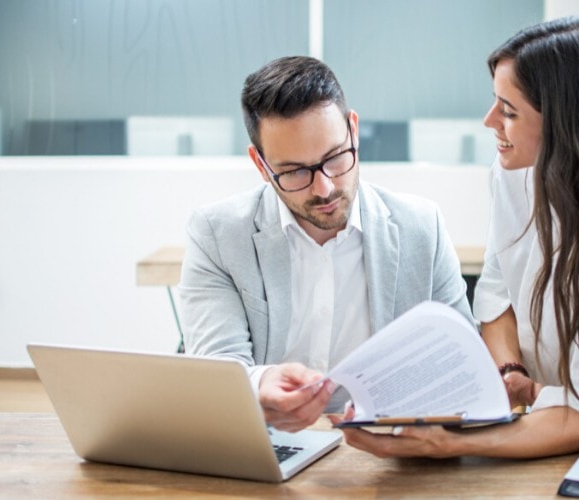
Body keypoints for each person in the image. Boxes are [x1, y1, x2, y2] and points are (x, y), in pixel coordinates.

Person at [330, 17, 579, 458]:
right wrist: (509, 374)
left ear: (569, 126)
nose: (489, 121)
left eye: (508, 111)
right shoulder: (512, 176)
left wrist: (444, 444)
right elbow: (497, 293)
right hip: (552, 416)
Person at [178, 56, 473, 433]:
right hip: (269, 447)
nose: (325, 188)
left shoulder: (421, 227)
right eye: (295, 171)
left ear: (352, 129)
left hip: (390, 454)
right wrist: (257, 385)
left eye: (335, 158)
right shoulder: (218, 235)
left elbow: (460, 361)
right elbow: (217, 370)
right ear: (261, 165)